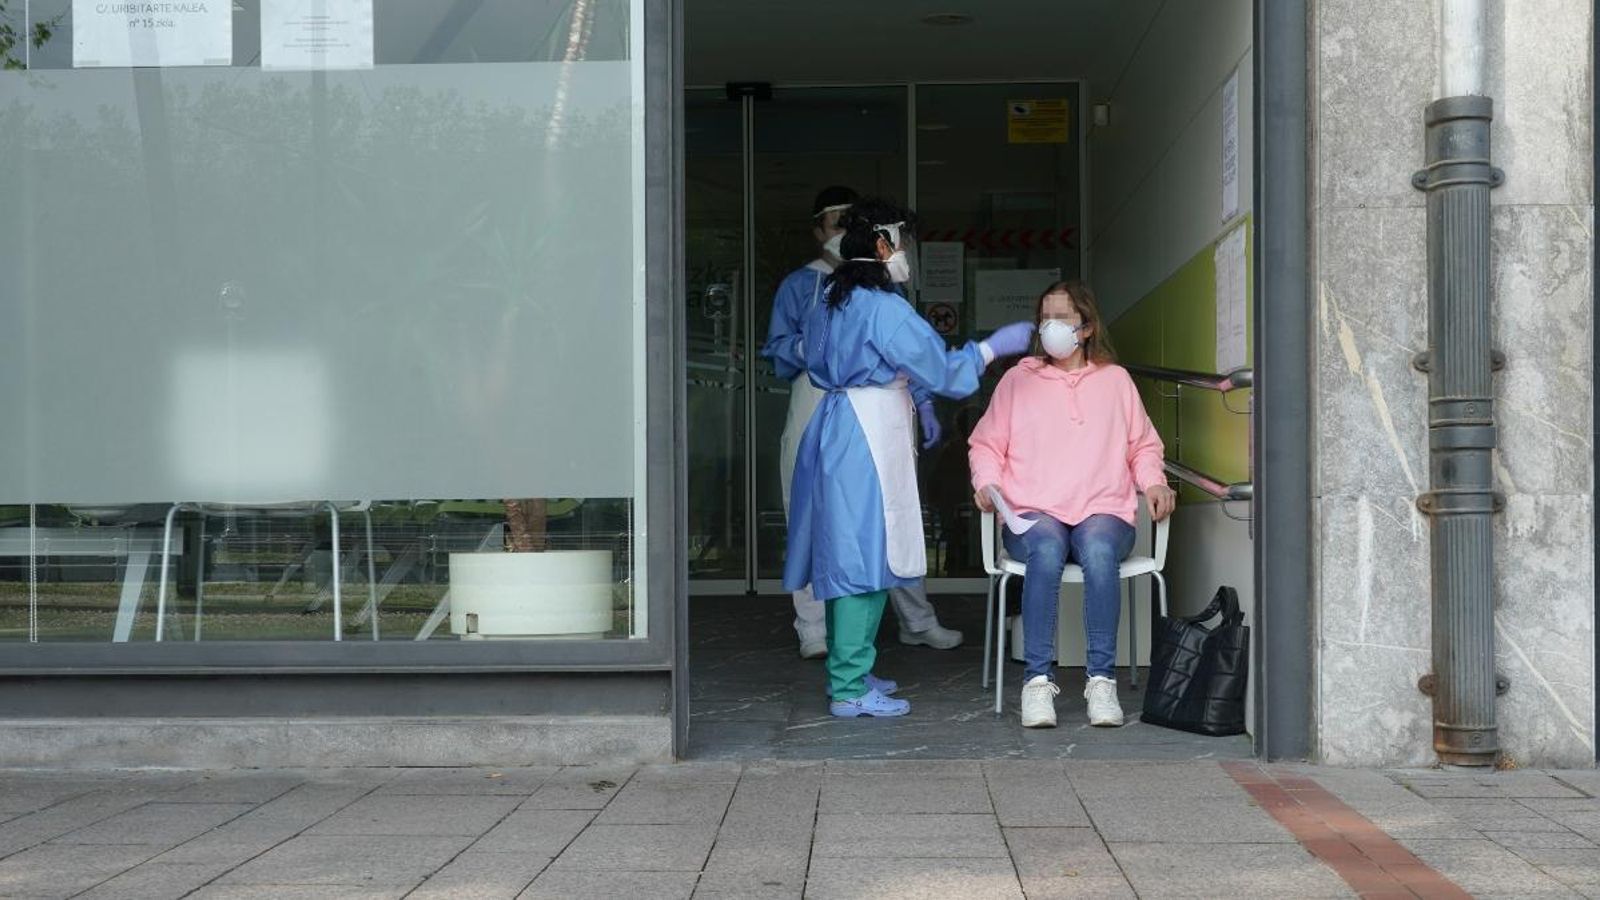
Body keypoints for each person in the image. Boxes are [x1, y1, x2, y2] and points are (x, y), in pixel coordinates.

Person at [785, 197, 1035, 717]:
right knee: (865, 559)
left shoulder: (830, 296)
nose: (908, 253)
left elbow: (844, 358)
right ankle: (850, 687)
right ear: (882, 244)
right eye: (904, 243)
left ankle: (850, 667)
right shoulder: (883, 306)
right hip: (868, 435)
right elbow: (941, 369)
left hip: (836, 425)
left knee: (844, 555)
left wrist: (914, 398)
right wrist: (990, 349)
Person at [762, 186, 964, 660]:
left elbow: (905, 353)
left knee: (891, 518)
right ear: (819, 232)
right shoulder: (800, 286)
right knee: (814, 519)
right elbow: (777, 352)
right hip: (818, 406)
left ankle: (916, 619)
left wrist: (924, 400)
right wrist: (820, 345)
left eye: (850, 222)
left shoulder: (883, 291)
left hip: (878, 415)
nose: (842, 230)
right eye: (835, 222)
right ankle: (814, 627)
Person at [968, 280, 1177, 729]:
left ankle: (1101, 681)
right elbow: (986, 445)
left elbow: (1142, 446)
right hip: (1033, 511)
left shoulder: (1115, 381)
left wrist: (1155, 483)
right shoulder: (1017, 380)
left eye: (1062, 318)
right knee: (1045, 550)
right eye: (1045, 317)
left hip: (1102, 509)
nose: (1051, 327)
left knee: (1100, 552)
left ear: (1085, 328)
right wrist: (986, 483)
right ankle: (1037, 684)